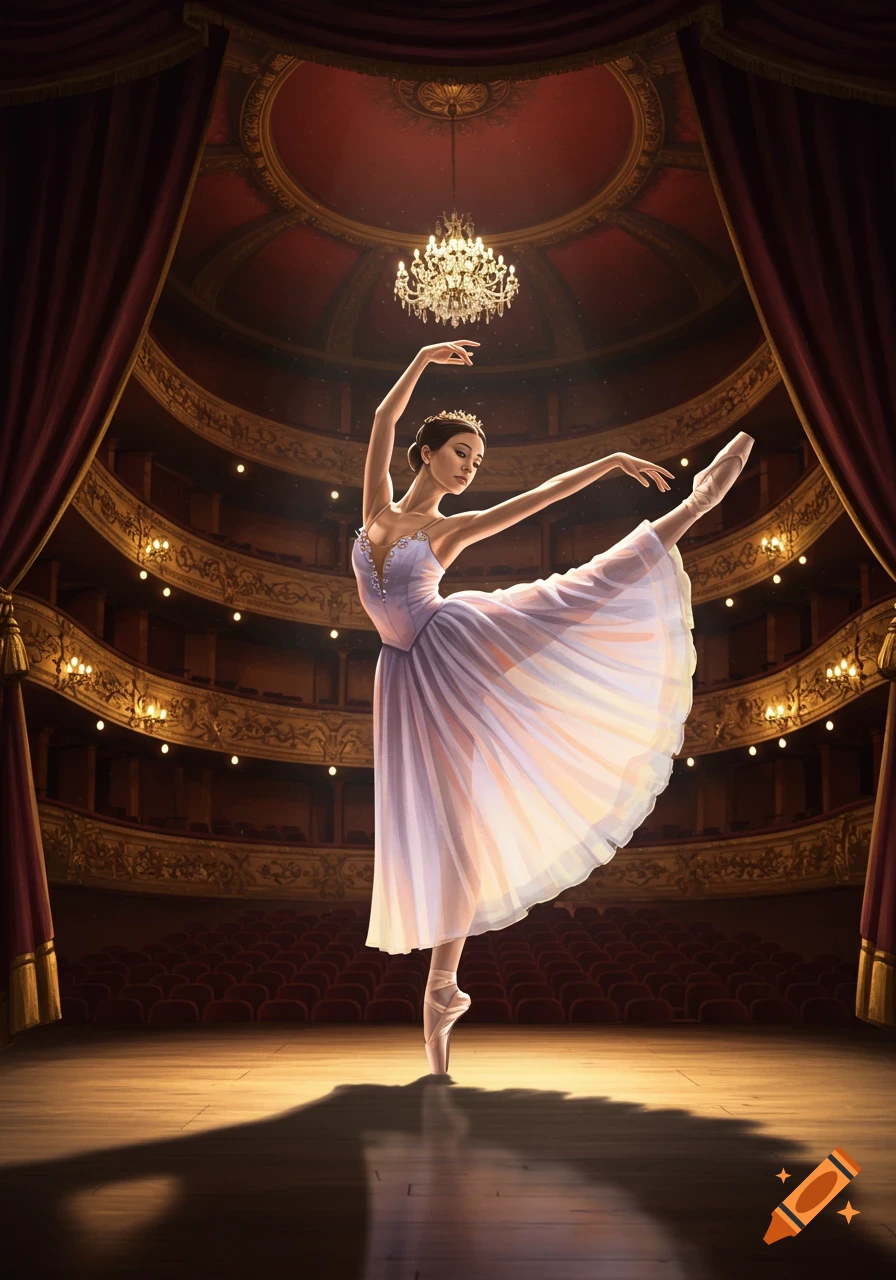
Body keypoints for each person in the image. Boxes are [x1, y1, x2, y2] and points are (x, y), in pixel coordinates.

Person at [351, 340, 753, 1073]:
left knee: (567, 598)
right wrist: (419, 357)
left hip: (448, 644)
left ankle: (694, 509)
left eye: (477, 457)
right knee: (445, 822)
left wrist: (607, 464)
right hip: (403, 675)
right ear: (427, 454)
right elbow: (383, 413)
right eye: (462, 452)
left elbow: (535, 499)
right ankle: (442, 990)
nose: (472, 465)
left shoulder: (449, 529)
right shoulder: (375, 504)